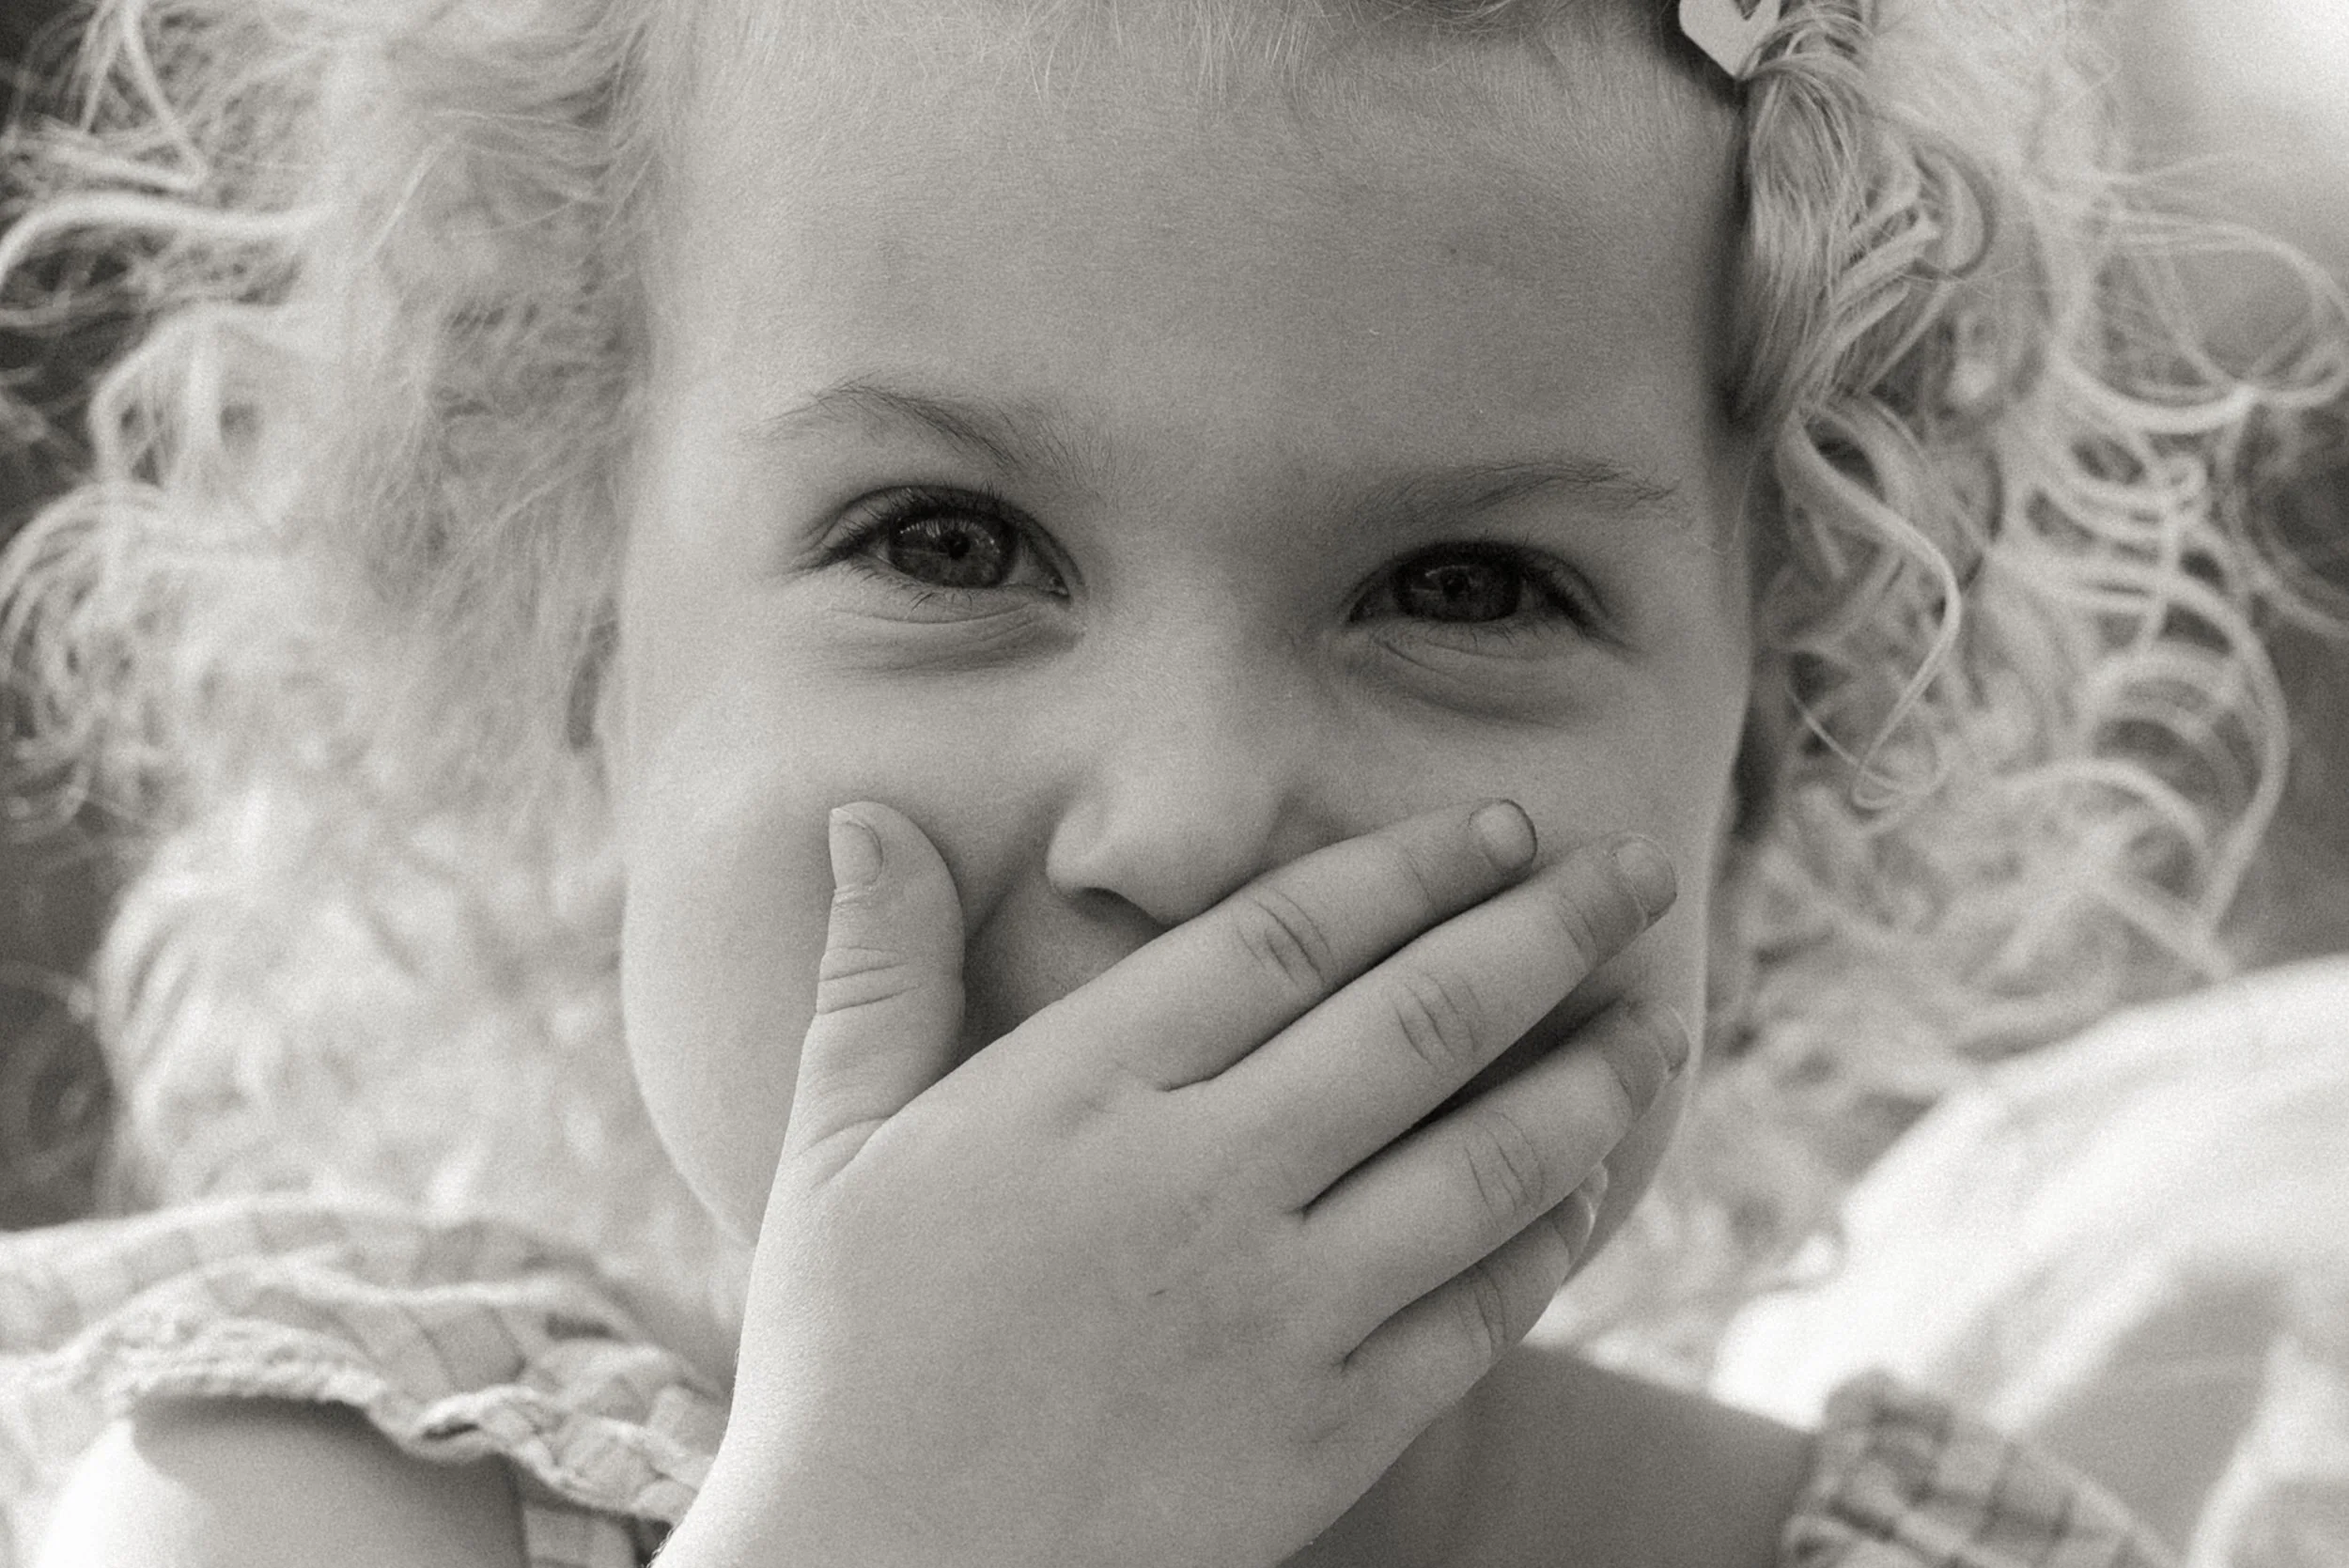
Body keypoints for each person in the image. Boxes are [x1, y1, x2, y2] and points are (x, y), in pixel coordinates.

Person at [0, 0, 2335, 1563]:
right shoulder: (310, 1478)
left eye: (1464, 587)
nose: (1195, 818)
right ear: (575, 642)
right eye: (950, 544)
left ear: (1773, 747)